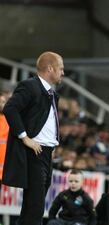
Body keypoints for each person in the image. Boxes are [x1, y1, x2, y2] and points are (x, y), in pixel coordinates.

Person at [2, 51, 64, 225]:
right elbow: (10, 109)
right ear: (50, 68)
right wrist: (25, 137)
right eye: (61, 68)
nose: (63, 73)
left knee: (33, 206)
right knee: (35, 206)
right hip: (34, 152)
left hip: (46, 152)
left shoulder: (50, 93)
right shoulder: (30, 86)